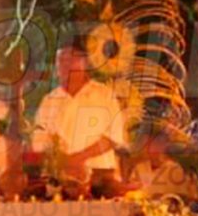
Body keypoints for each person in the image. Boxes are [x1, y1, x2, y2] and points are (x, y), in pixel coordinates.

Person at [32, 43, 128, 181]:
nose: (64, 65)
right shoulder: (49, 100)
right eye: (60, 60)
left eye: (70, 59)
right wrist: (64, 162)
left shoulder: (104, 95)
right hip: (59, 179)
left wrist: (78, 159)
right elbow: (40, 141)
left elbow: (114, 137)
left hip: (101, 177)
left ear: (86, 63)